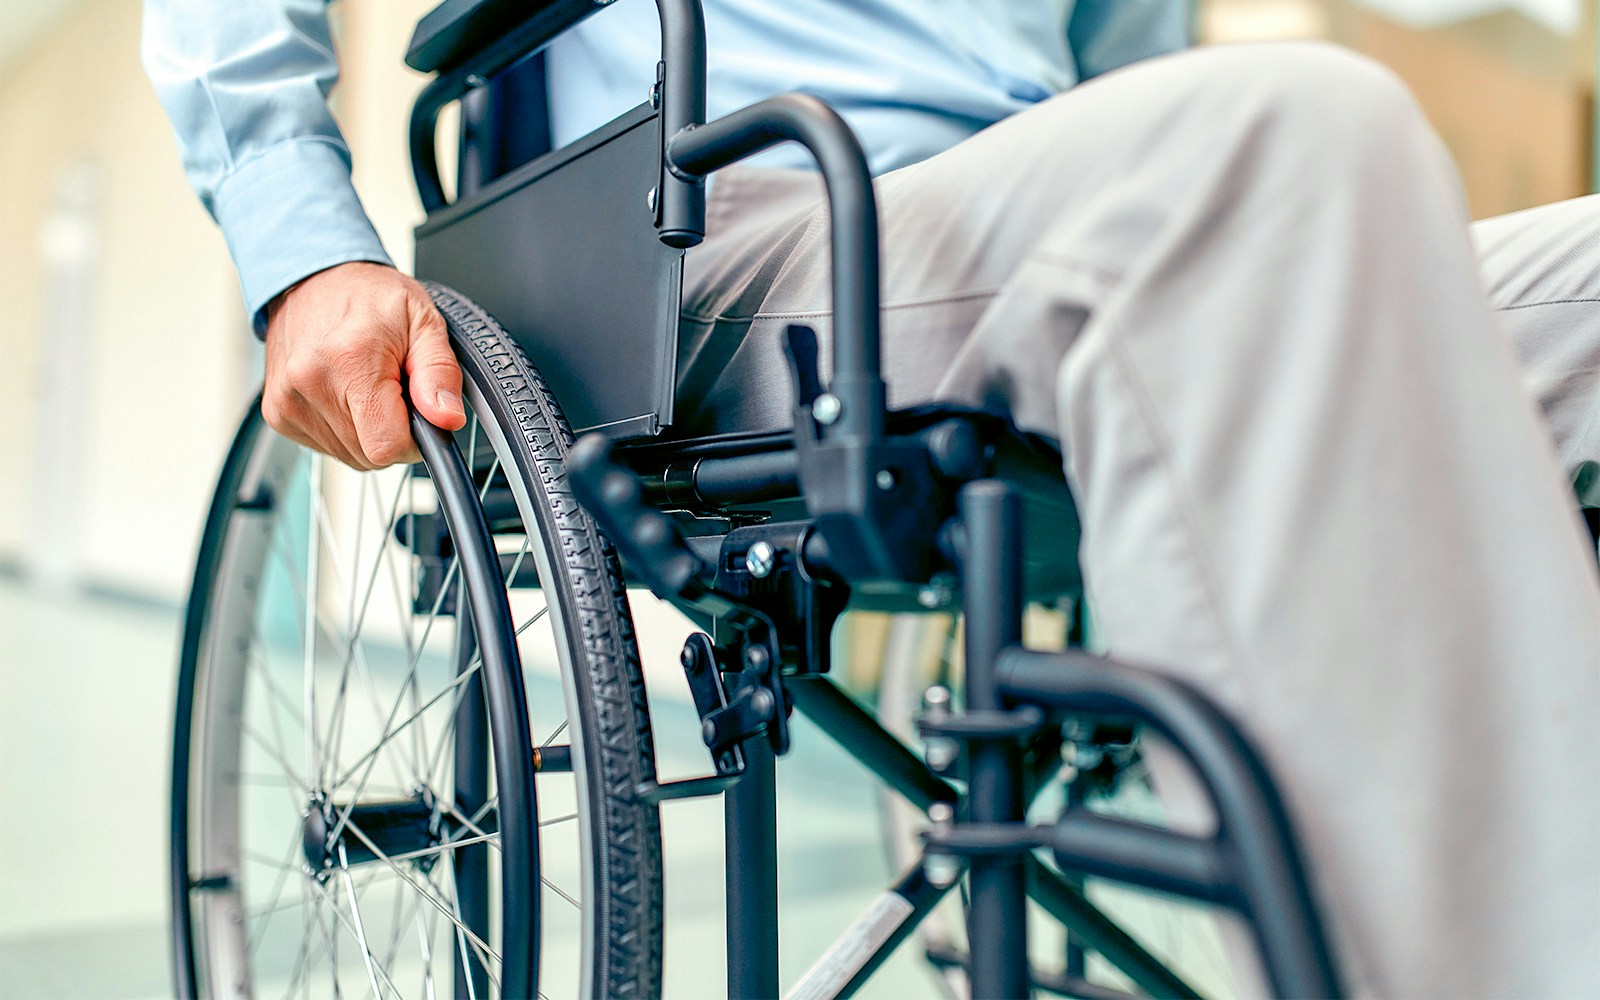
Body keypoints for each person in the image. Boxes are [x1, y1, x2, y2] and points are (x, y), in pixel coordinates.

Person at [142, 0, 1599, 994]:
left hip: (1028, 189)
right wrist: (304, 244)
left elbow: (1130, 52)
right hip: (719, 213)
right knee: (1294, 133)